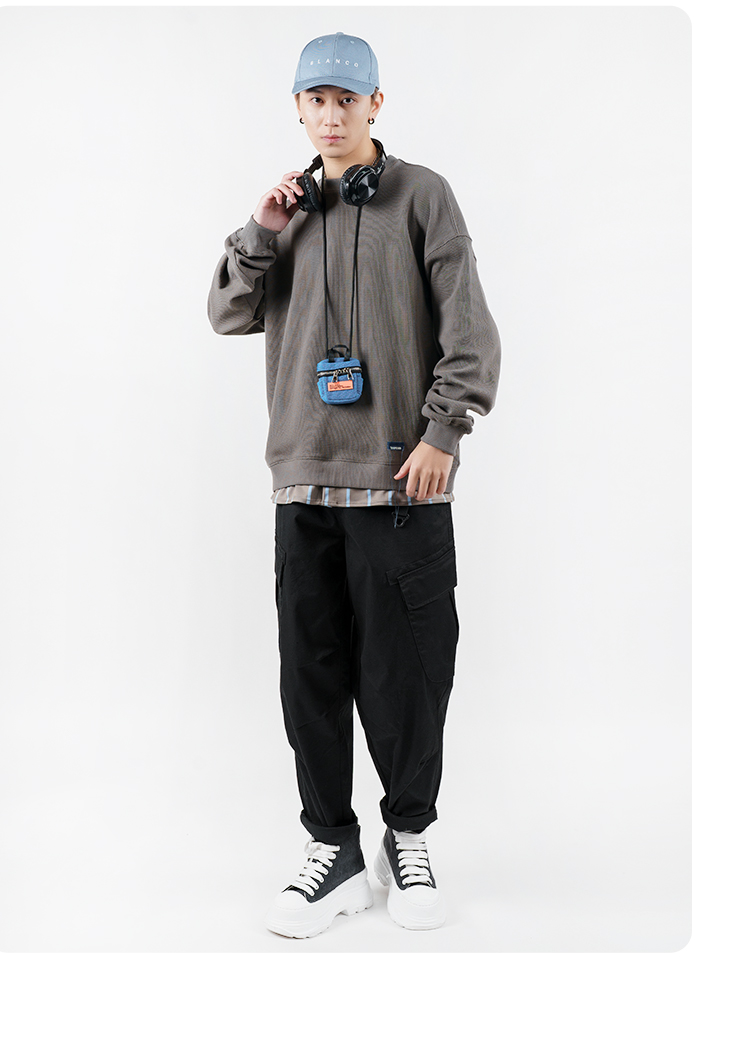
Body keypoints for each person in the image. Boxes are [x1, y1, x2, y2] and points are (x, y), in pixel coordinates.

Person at [208, 31, 501, 938]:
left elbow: (470, 330)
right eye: (316, 101)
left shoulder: (423, 195)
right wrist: (263, 230)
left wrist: (444, 430)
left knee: (407, 678)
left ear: (377, 104)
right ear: (297, 109)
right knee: (312, 679)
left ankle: (407, 838)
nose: (331, 116)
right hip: (303, 486)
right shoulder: (285, 210)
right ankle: (332, 850)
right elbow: (226, 313)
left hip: (401, 485)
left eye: (347, 99)